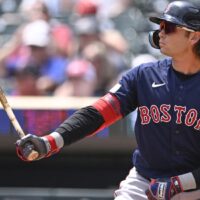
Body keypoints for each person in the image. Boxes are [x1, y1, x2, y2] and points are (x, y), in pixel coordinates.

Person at [16, 1, 200, 199]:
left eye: (169, 27)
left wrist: (179, 183)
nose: (161, 32)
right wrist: (50, 141)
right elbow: (97, 114)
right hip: (146, 179)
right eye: (160, 26)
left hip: (194, 185)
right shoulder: (144, 76)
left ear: (194, 36)